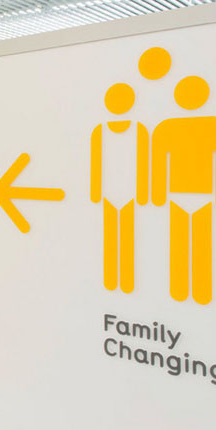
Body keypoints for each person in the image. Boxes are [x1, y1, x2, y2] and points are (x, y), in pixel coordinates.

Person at [151, 75, 216, 305]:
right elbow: (158, 163)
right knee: (180, 244)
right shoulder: (166, 128)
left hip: (202, 196)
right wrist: (157, 193)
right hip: (178, 195)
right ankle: (181, 292)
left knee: (200, 245)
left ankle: (200, 294)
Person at [90, 82, 149, 293]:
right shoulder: (100, 131)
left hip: (130, 194)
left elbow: (144, 163)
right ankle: (111, 280)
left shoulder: (139, 130)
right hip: (109, 194)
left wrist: (143, 193)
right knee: (110, 238)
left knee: (127, 237)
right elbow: (96, 163)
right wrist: (96, 192)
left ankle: (126, 282)